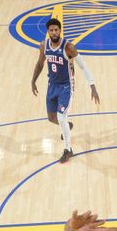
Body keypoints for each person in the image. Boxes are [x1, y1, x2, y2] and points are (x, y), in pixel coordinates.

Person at [30, 18, 100, 165]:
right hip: (52, 85)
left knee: (61, 117)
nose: (54, 32)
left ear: (60, 31)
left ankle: (68, 150)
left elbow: (83, 66)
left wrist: (92, 86)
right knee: (51, 118)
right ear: (48, 32)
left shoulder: (68, 47)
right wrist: (33, 80)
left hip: (66, 86)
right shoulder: (43, 46)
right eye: (51, 30)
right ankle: (67, 126)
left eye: (56, 29)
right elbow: (40, 64)